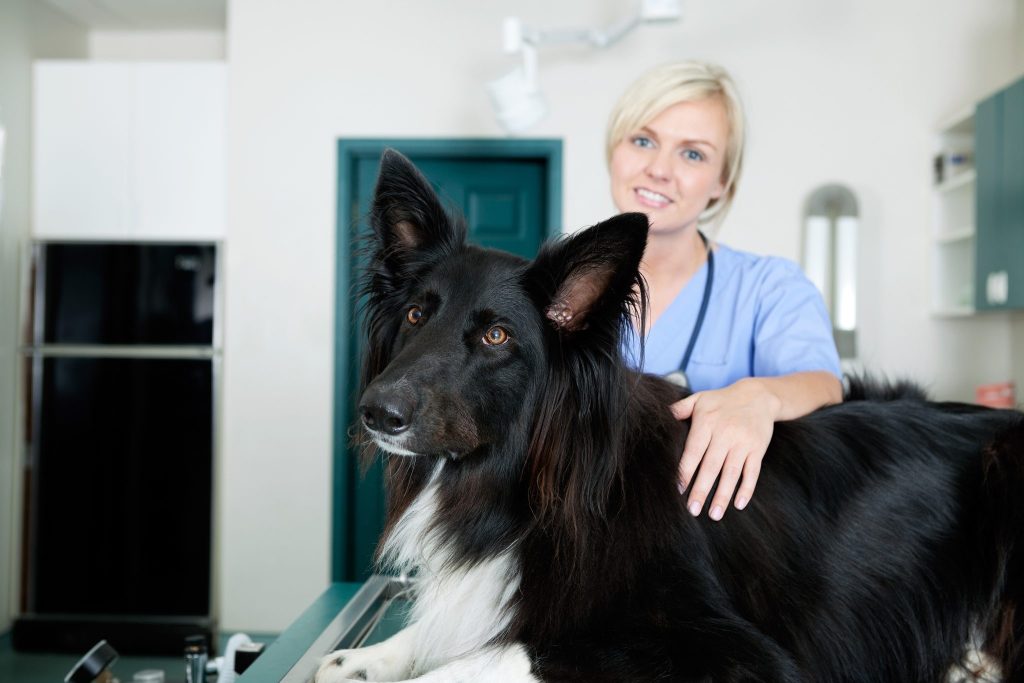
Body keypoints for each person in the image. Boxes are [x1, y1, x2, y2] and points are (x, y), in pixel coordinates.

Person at [607, 61, 843, 522]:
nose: (659, 169)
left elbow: (824, 386)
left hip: (719, 553)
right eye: (643, 140)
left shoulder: (769, 288)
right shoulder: (563, 289)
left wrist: (759, 397)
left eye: (692, 154)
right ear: (615, 149)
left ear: (722, 183)